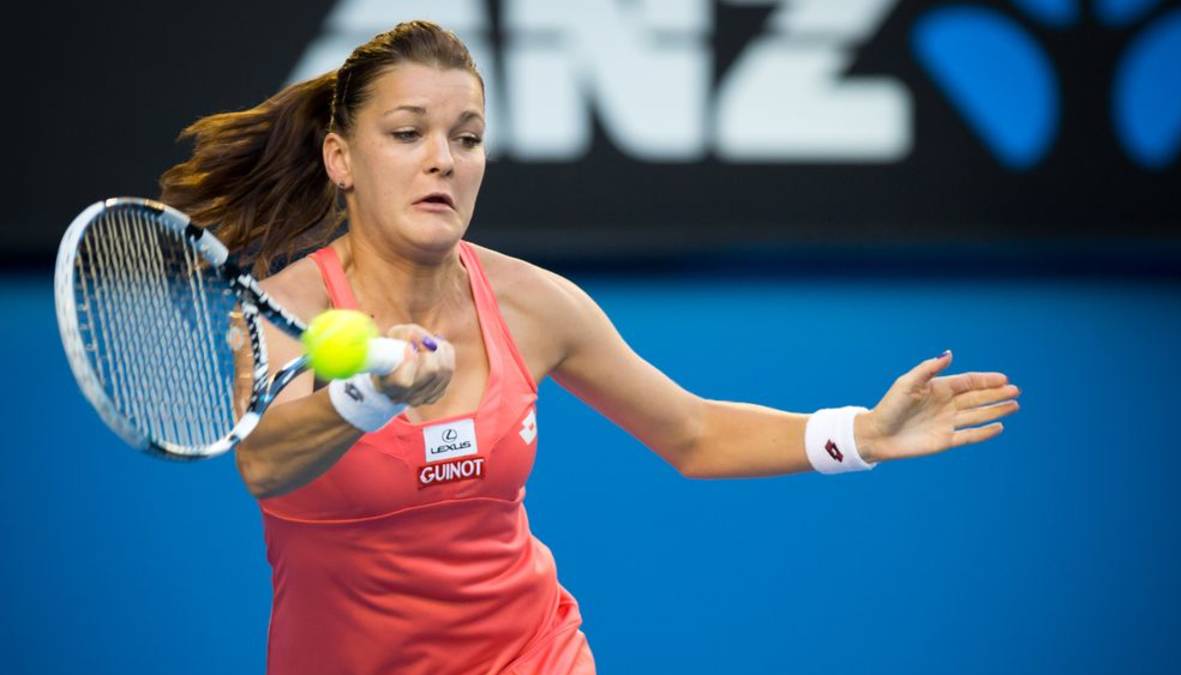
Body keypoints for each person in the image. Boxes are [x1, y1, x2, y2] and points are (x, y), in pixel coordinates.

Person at [159, 20, 1021, 675]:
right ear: (341, 158)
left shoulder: (534, 304)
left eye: (467, 137)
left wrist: (859, 434)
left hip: (531, 655)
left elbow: (692, 433)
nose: (443, 161)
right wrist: (369, 395)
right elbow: (264, 463)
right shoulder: (286, 309)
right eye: (408, 133)